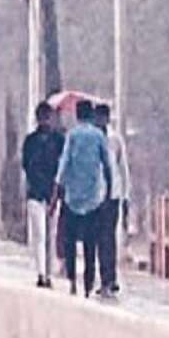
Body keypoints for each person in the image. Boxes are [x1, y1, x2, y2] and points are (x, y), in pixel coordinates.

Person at [55, 100, 111, 297]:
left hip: (72, 198)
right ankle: (88, 285)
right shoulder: (98, 136)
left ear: (77, 115)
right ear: (91, 115)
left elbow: (64, 164)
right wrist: (109, 190)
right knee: (90, 244)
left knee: (70, 242)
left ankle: (72, 281)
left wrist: (58, 188)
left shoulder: (72, 135)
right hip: (94, 198)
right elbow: (107, 164)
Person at [22, 101, 64, 288]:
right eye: (43, 117)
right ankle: (42, 273)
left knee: (49, 235)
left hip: (50, 194)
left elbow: (62, 167)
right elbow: (26, 164)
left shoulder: (58, 140)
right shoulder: (31, 141)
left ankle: (48, 272)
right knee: (40, 234)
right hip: (38, 194)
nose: (45, 121)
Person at [93, 104, 130, 298]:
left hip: (113, 196)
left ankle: (111, 278)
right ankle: (104, 278)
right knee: (100, 238)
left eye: (102, 118)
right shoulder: (91, 139)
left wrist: (126, 197)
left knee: (109, 237)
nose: (100, 121)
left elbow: (123, 170)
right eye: (97, 118)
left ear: (107, 119)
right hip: (95, 196)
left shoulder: (115, 140)